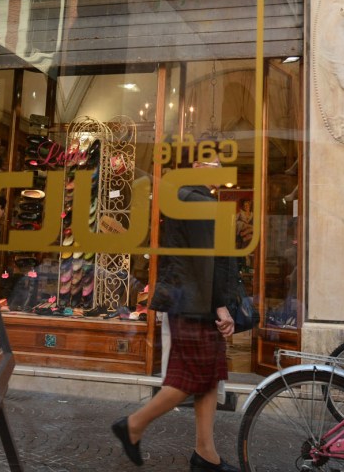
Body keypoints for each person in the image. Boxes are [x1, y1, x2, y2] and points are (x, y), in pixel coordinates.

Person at [112, 159, 239, 472]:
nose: (218, 170)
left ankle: (205, 454)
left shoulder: (185, 196)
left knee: (208, 378)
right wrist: (219, 304)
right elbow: (203, 259)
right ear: (196, 165)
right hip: (196, 305)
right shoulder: (194, 200)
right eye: (211, 162)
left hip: (191, 301)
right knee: (191, 379)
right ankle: (132, 425)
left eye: (221, 164)